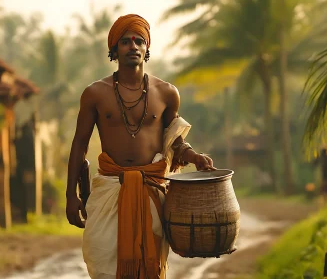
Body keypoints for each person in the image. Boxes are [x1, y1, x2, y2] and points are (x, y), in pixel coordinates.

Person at [65, 14, 216, 279]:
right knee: (102, 262)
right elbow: (79, 145)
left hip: (152, 192)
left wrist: (194, 156)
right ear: (114, 49)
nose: (133, 46)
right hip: (110, 189)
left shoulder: (167, 93)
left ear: (147, 49)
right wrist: (70, 196)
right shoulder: (95, 93)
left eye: (139, 41)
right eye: (125, 41)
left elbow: (175, 142)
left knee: (150, 267)